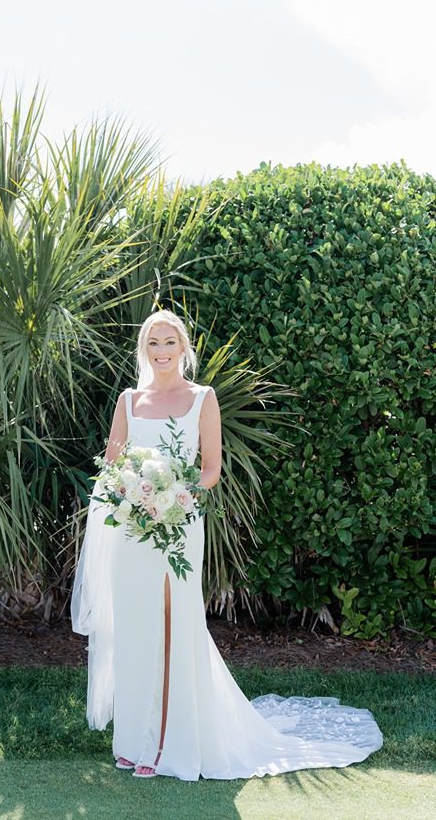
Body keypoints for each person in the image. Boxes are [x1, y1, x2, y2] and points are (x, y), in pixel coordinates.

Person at [71, 309, 383, 782]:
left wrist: (174, 496)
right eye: (152, 343)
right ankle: (134, 741)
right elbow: (113, 466)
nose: (161, 351)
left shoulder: (203, 398)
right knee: (136, 630)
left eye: (169, 342)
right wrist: (134, 493)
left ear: (183, 347)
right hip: (133, 534)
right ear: (144, 348)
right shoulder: (128, 401)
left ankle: (167, 746)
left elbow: (210, 469)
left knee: (174, 626)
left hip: (178, 525)